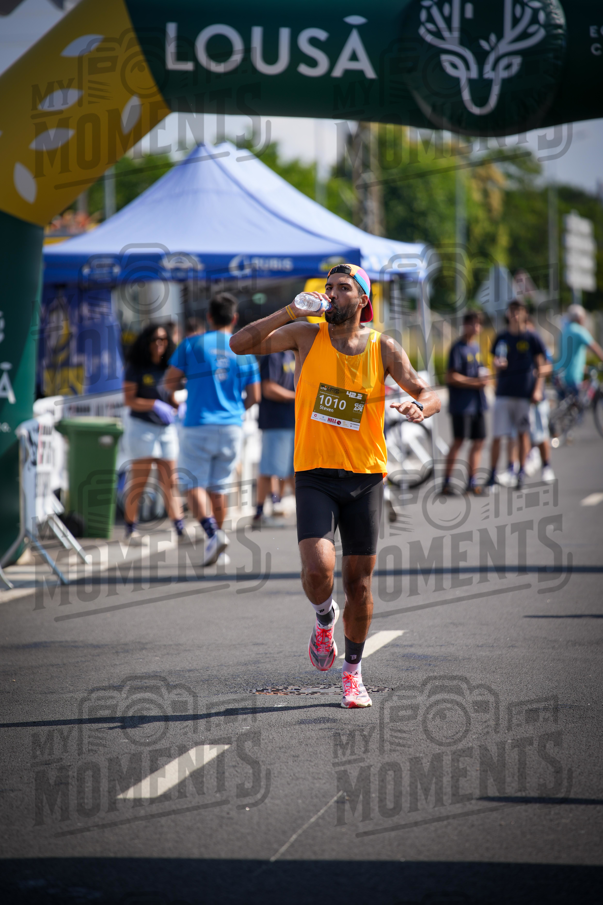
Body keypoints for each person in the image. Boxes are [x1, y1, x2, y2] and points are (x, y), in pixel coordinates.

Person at [230, 263, 440, 709]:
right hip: (315, 473)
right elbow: (239, 344)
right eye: (328, 287)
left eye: (343, 288)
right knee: (317, 568)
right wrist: (290, 310)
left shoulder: (383, 347)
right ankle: (324, 618)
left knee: (358, 584)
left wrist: (421, 408)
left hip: (365, 477)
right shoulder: (306, 336)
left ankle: (353, 675)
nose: (332, 293)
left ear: (363, 300)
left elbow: (427, 392)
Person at [166, 294, 261, 567]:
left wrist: (181, 394)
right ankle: (217, 543)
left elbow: (169, 382)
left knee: (192, 484)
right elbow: (255, 395)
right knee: (219, 487)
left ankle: (212, 535)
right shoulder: (244, 349)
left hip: (198, 422)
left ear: (209, 317)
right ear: (234, 318)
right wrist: (236, 410)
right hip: (232, 426)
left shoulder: (192, 344)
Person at [122, 323, 184, 541]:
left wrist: (177, 405)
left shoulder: (168, 367)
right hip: (142, 428)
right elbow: (129, 400)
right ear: (146, 342)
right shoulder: (136, 367)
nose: (160, 344)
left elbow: (169, 396)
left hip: (165, 429)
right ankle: (130, 530)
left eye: (164, 340)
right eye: (155, 339)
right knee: (140, 481)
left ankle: (180, 529)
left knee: (170, 481)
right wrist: (153, 405)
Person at [486, 299, 547, 492]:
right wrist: (497, 365)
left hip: (523, 395)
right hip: (503, 393)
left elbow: (541, 366)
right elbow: (494, 360)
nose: (515, 314)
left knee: (523, 434)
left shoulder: (532, 337)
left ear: (524, 313)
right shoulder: (502, 337)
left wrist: (537, 389)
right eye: (512, 311)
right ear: (508, 314)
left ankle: (521, 473)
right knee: (498, 435)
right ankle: (492, 475)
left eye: (518, 311)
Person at [442, 311, 489, 496]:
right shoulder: (457, 348)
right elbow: (450, 376)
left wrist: (484, 377)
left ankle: (472, 481)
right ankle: (446, 483)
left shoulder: (476, 347)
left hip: (478, 403)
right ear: (465, 325)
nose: (476, 327)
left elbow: (479, 370)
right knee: (458, 441)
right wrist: (474, 382)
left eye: (479, 324)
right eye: (473, 324)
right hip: (461, 405)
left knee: (479, 441)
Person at [253, 349, 296, 528]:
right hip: (276, 421)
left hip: (293, 421)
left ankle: (303, 512)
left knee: (294, 470)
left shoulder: (292, 354)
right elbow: (268, 388)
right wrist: (298, 396)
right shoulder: (272, 354)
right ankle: (259, 514)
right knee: (269, 469)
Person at [553, 304, 603, 393]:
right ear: (579, 318)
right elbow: (595, 348)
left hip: (559, 376)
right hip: (573, 377)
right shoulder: (579, 331)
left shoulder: (564, 331)